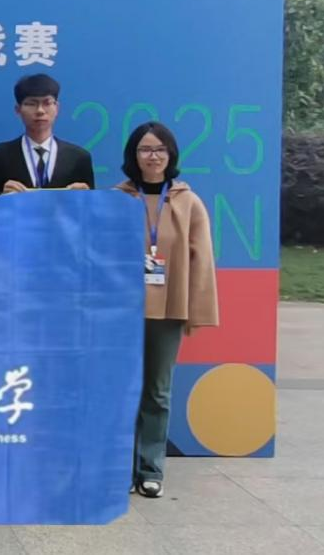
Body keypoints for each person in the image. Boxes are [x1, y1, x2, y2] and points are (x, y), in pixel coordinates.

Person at [117, 121, 219, 499]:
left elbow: (201, 260)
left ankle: (151, 468)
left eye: (160, 149)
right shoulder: (117, 199)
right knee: (122, 390)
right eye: (145, 149)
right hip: (123, 312)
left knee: (157, 392)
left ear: (171, 154)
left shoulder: (188, 202)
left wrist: (197, 309)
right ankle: (120, 467)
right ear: (134, 155)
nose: (153, 156)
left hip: (168, 309)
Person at [0, 73, 94, 195]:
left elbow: (92, 204)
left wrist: (84, 196)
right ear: (18, 110)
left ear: (57, 108)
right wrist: (2, 196)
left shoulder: (79, 158)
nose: (40, 110)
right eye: (31, 104)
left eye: (47, 103)